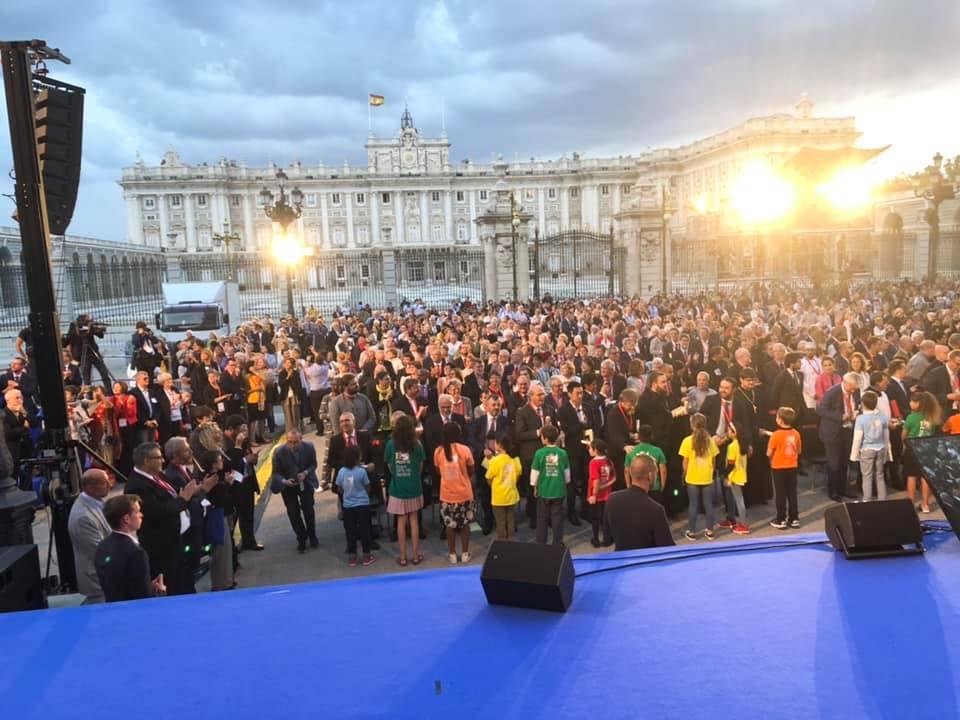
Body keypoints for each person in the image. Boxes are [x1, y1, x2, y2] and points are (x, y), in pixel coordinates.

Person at [125, 442, 211, 595]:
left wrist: (192, 491)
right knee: (174, 585)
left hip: (177, 540)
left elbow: (174, 492)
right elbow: (159, 511)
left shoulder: (158, 475)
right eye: (158, 457)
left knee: (185, 580)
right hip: (162, 547)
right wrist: (183, 498)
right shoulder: (137, 485)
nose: (163, 460)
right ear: (146, 460)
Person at [94, 494, 167, 602]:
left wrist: (147, 586)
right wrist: (160, 592)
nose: (141, 515)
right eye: (137, 512)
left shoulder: (102, 546)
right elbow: (143, 599)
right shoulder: (136, 553)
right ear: (126, 519)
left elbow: (119, 585)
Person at [603, 454, 676, 551]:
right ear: (650, 476)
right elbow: (667, 548)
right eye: (656, 473)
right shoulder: (656, 510)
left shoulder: (612, 499)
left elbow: (607, 539)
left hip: (622, 557)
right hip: (646, 559)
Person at [67, 469, 114, 604]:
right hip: (97, 582)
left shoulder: (96, 502)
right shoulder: (83, 517)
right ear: (89, 487)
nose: (110, 485)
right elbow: (100, 552)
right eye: (104, 483)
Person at [384, 414, 425, 566]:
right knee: (414, 520)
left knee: (401, 521)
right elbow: (420, 467)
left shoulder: (390, 444)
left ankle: (402, 557)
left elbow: (390, 467)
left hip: (398, 487)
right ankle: (415, 556)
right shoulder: (417, 444)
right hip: (414, 486)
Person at [269, 429, 320, 553]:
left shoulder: (309, 447)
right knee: (293, 513)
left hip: (305, 483)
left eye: (295, 442)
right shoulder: (279, 452)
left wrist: (305, 473)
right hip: (288, 486)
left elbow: (313, 464)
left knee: (308, 510)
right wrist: (284, 481)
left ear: (301, 440)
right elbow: (276, 473)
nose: (292, 445)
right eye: (289, 442)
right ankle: (301, 538)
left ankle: (312, 536)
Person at [434, 421, 475, 564]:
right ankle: (465, 553)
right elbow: (471, 470)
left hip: (446, 494)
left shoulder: (438, 451)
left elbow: (438, 471)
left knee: (449, 525)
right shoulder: (465, 450)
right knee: (465, 524)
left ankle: (452, 554)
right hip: (464, 493)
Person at [679, 413, 719, 541]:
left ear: (692, 425)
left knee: (693, 505)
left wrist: (685, 473)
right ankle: (710, 531)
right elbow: (714, 460)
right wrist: (711, 472)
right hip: (707, 477)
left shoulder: (687, 441)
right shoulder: (710, 441)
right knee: (708, 505)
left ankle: (692, 532)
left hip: (692, 477)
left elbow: (685, 461)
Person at [530, 423, 570, 546]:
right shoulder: (562, 453)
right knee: (557, 519)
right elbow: (567, 473)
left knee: (542, 519)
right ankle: (557, 542)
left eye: (542, 436)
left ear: (545, 439)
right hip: (559, 491)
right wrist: (565, 483)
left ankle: (541, 543)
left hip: (544, 491)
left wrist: (534, 487)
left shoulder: (539, 453)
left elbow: (535, 473)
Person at [336, 445, 375, 567]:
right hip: (362, 504)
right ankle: (366, 555)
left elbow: (339, 488)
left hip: (348, 506)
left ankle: (352, 557)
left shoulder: (341, 472)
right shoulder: (361, 471)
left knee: (350, 531)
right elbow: (367, 487)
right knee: (365, 530)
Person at [850, 391, 892, 502]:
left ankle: (867, 499)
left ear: (863, 404)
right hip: (880, 448)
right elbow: (886, 436)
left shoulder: (861, 419)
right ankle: (882, 499)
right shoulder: (882, 417)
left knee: (867, 476)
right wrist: (887, 451)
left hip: (866, 449)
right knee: (880, 475)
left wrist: (854, 455)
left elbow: (857, 438)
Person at [902, 391, 939, 513]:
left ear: (919, 403)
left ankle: (911, 504)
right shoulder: (931, 416)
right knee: (925, 477)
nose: (910, 403)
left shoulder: (911, 417)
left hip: (912, 449)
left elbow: (904, 435)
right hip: (927, 449)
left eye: (913, 401)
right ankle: (925, 504)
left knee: (911, 476)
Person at [768, 407, 802, 530]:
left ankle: (781, 519)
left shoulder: (776, 434)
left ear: (780, 420)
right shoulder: (796, 433)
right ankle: (794, 518)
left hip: (778, 467)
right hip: (792, 466)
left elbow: (769, 452)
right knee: (792, 493)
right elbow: (799, 450)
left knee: (780, 493)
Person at [485, 433, 521, 540]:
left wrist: (494, 487)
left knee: (500, 523)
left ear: (499, 445)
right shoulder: (515, 460)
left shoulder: (494, 461)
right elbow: (518, 476)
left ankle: (502, 543)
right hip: (511, 495)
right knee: (510, 521)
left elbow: (488, 477)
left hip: (498, 497)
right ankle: (511, 541)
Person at [586, 438, 615, 547]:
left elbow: (596, 480)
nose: (588, 450)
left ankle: (596, 539)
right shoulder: (609, 460)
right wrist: (605, 486)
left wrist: (594, 494)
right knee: (605, 517)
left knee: (595, 518)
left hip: (596, 495)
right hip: (607, 494)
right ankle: (608, 539)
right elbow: (614, 478)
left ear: (596, 450)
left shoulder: (593, 462)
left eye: (590, 448)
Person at [724, 426, 750, 534]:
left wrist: (725, 475)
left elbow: (730, 464)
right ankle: (732, 519)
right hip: (741, 474)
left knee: (739, 501)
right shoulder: (743, 444)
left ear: (734, 433)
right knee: (734, 499)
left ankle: (743, 525)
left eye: (729, 431)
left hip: (734, 476)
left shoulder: (732, 446)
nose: (727, 432)